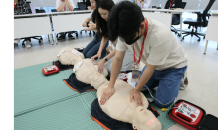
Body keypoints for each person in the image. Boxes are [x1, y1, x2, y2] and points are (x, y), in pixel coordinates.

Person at [99, 1, 188, 108]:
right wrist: (110, 86)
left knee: (161, 102)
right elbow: (118, 58)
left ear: (141, 26)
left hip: (173, 66)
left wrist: (136, 90)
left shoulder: (160, 36)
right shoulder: (124, 31)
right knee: (140, 88)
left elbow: (150, 68)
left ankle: (179, 77)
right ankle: (162, 82)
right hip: (153, 65)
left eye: (129, 38)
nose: (125, 41)